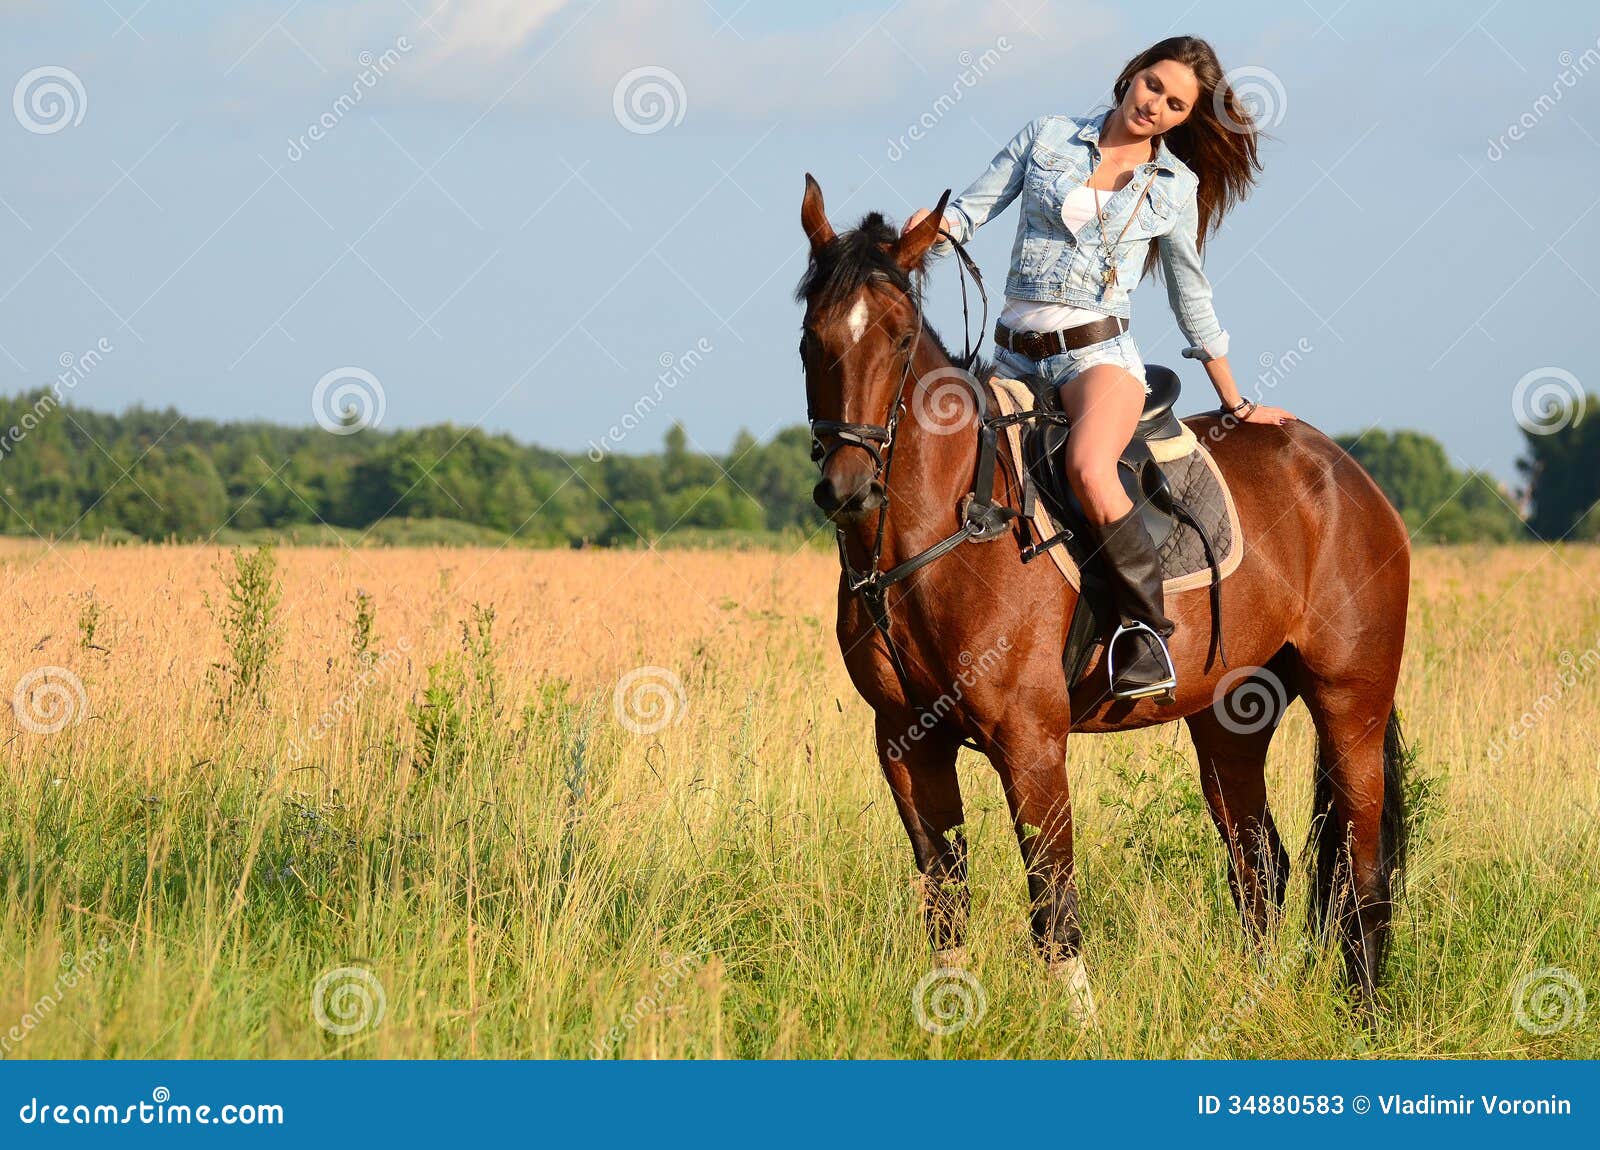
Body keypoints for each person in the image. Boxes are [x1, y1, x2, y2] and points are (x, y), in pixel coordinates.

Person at [904, 35, 1297, 700]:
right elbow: (968, 214)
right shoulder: (1047, 136)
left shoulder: (1175, 187)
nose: (1157, 107)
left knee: (1089, 468)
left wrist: (1233, 401)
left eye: (1176, 104)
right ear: (1131, 75)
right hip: (1009, 359)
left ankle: (1145, 632)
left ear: (1185, 119)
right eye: (1153, 86)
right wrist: (919, 238)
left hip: (1099, 361)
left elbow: (1189, 295)